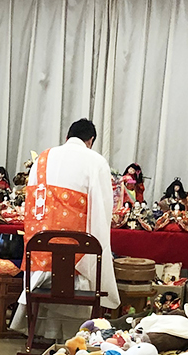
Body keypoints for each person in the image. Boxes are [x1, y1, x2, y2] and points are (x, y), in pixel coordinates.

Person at [11, 118, 119, 334]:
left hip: (39, 252)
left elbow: (31, 206)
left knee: (48, 258)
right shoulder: (95, 161)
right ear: (90, 141)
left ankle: (40, 332)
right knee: (86, 257)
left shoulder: (42, 158)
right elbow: (103, 209)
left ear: (67, 137)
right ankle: (77, 334)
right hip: (77, 253)